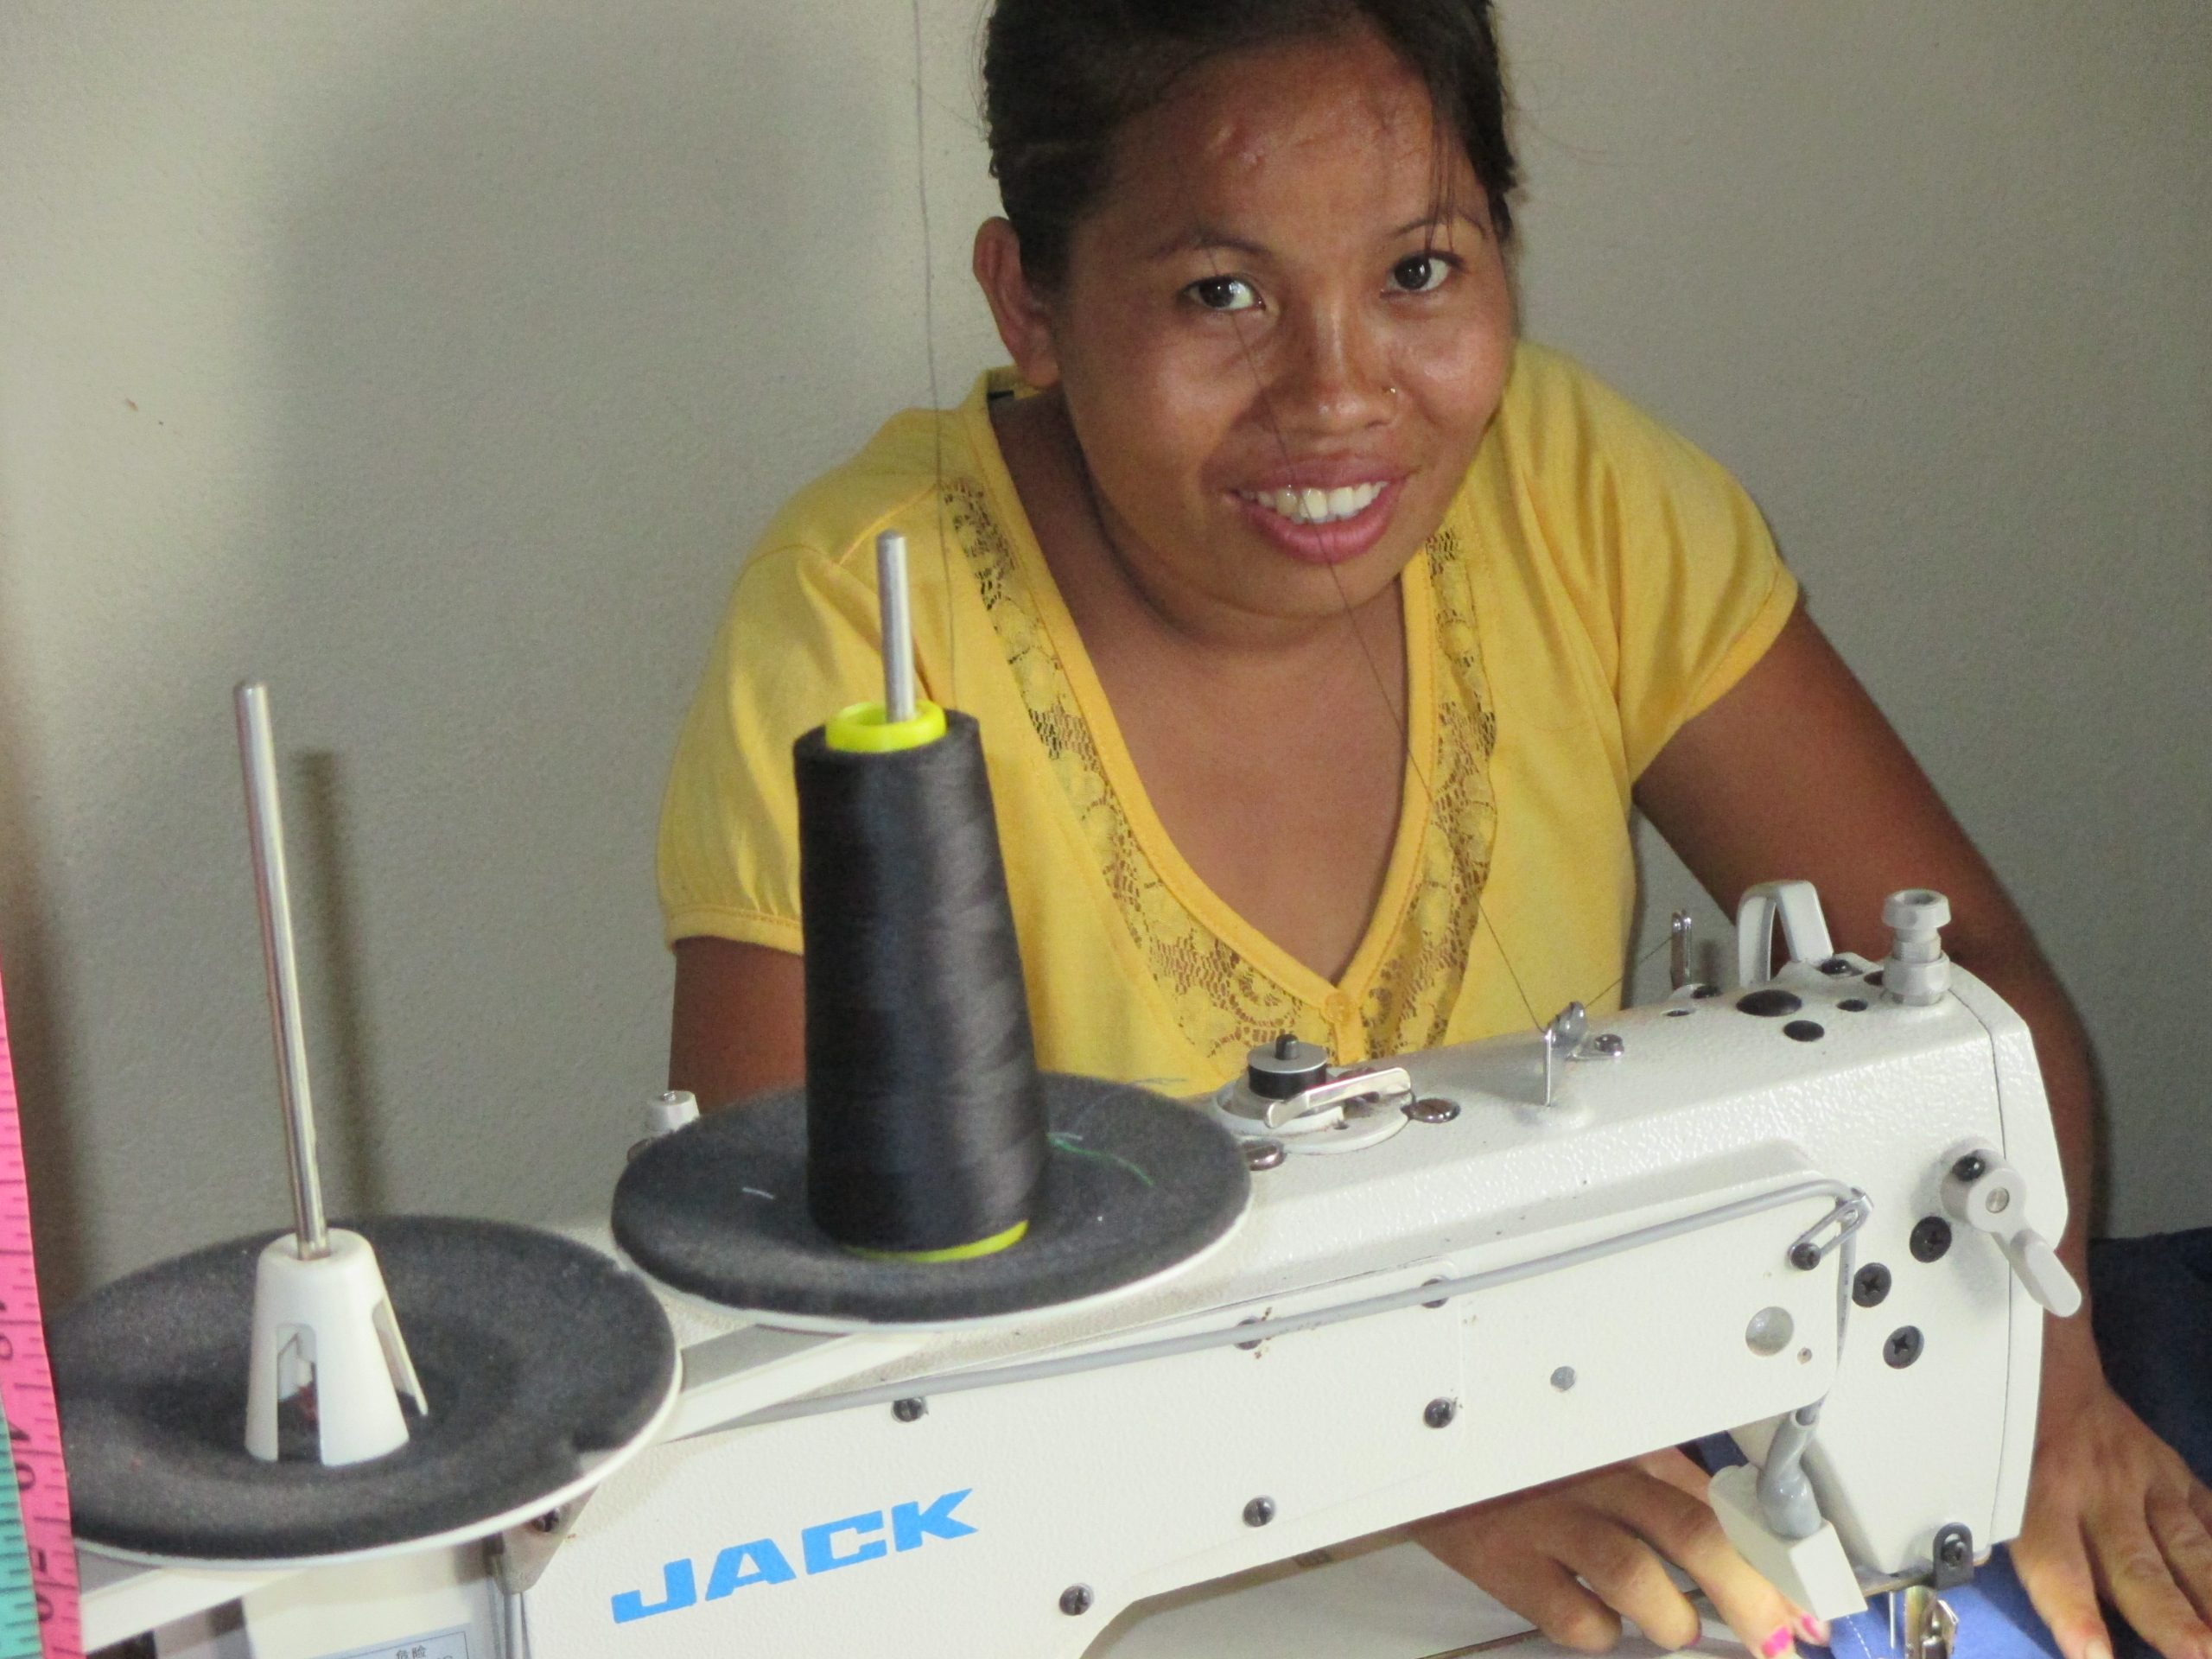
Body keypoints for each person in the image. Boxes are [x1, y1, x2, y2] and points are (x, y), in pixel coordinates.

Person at [657, 3, 2212, 1656]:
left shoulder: (1570, 491)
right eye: (1221, 293)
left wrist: (2038, 1385)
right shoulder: (868, 638)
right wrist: (1385, 1453)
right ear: (1027, 299)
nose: (1340, 397)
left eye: (1418, 274)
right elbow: (799, 1338)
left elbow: (1962, 978)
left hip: (1589, 1471)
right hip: (1132, 1569)